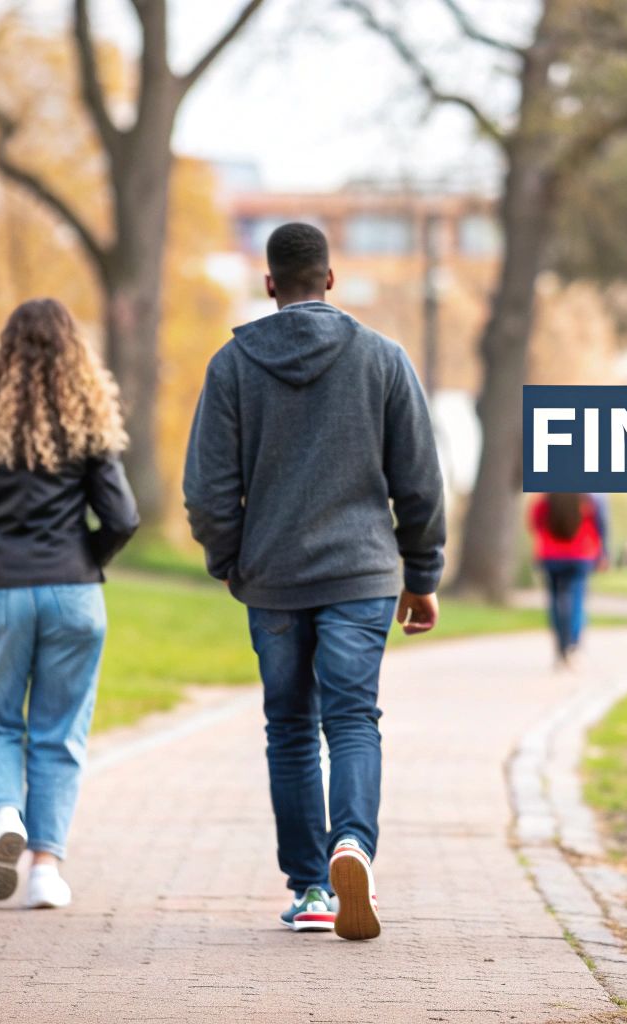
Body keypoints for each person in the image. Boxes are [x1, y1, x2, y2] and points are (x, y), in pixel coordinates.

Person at [185, 222, 445, 940]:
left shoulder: (231, 367)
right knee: (353, 718)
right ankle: (352, 844)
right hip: (362, 573)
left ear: (270, 284)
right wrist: (420, 574)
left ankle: (309, 890)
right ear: (329, 279)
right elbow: (419, 482)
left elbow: (208, 492)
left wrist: (230, 560)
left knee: (291, 728)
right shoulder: (383, 361)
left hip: (272, 576)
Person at [0, 298, 138, 910]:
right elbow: (123, 517)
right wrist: (84, 558)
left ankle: (4, 818)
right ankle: (46, 870)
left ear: (5, 350)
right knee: (59, 732)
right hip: (74, 593)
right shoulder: (89, 423)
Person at [528, 493, 609, 665]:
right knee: (577, 600)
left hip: (551, 555)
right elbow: (600, 525)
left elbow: (535, 522)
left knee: (555, 601)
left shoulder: (547, 498)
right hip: (580, 554)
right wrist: (602, 553)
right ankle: (573, 644)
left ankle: (560, 646)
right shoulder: (588, 498)